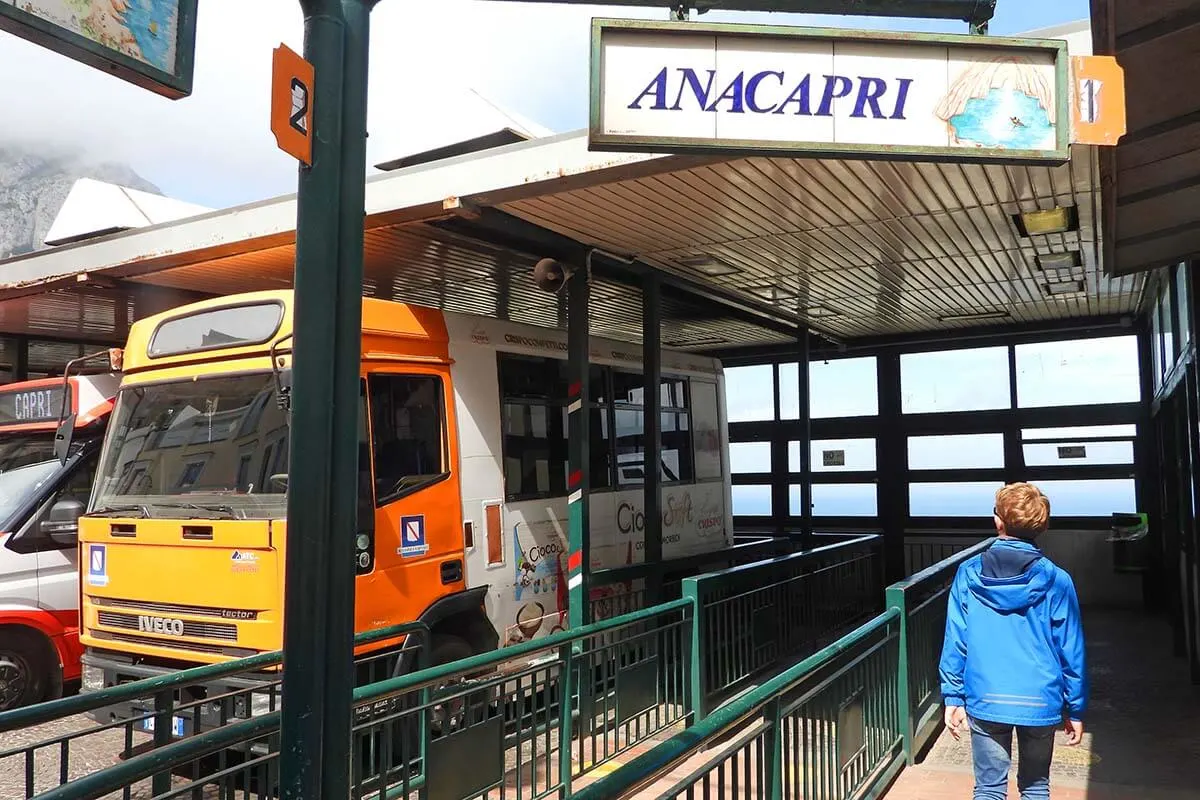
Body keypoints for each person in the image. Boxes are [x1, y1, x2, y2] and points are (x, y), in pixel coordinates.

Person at [938, 482, 1087, 800]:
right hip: (1040, 697)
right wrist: (1075, 708)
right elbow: (1070, 650)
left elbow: (956, 639)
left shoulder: (968, 575)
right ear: (1042, 526)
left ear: (998, 521)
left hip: (986, 694)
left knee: (989, 789)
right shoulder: (1057, 580)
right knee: (1035, 787)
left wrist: (953, 696)